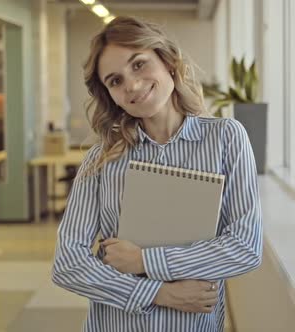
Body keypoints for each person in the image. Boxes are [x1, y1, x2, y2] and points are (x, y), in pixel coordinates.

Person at [52, 16, 263, 332]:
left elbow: (245, 247)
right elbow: (68, 265)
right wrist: (158, 293)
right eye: (115, 81)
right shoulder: (101, 159)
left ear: (168, 62)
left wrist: (144, 261)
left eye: (138, 65)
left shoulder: (226, 139)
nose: (132, 86)